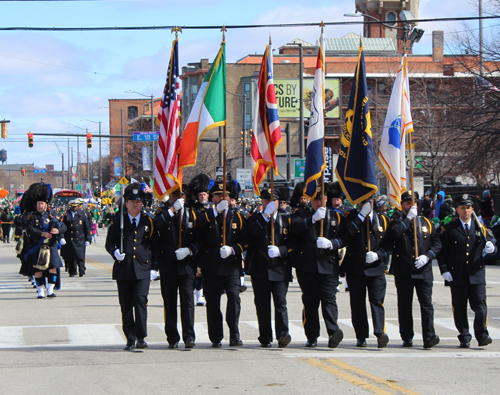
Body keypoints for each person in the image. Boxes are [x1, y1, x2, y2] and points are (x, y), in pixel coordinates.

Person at [105, 183, 159, 351]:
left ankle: (141, 336)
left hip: (142, 269)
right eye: (132, 201)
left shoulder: (148, 221)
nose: (135, 204)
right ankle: (130, 337)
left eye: (138, 201)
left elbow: (155, 246)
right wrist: (115, 252)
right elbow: (109, 243)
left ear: (142, 203)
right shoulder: (117, 222)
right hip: (124, 269)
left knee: (140, 301)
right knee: (126, 304)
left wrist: (154, 267)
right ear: (126, 203)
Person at [438, 194, 495, 348]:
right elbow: (442, 252)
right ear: (457, 210)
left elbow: (491, 240)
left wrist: (491, 246)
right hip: (457, 274)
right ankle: (464, 335)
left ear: (472, 209)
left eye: (468, 208)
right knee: (460, 307)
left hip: (476, 274)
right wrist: (444, 270)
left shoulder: (480, 227)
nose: (465, 211)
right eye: (462, 208)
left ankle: (482, 334)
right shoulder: (449, 229)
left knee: (480, 305)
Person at [291, 188, 345, 348]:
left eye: (321, 199)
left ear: (326, 199)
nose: (318, 202)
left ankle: (333, 332)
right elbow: (295, 227)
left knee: (329, 299)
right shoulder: (301, 214)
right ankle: (312, 335)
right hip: (307, 266)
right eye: (315, 199)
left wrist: (332, 244)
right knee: (310, 302)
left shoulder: (336, 216)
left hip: (328, 265)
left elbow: (345, 238)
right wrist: (312, 220)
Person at [196, 181, 248, 348]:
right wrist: (215, 211)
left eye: (224, 195)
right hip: (211, 266)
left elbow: (246, 241)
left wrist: (234, 250)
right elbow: (198, 225)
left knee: (234, 298)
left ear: (230, 198)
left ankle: (234, 334)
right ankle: (216, 336)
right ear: (213, 198)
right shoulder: (205, 214)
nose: (221, 198)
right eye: (218, 195)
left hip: (231, 266)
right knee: (212, 303)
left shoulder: (238, 217)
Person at [389, 191, 442, 348]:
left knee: (426, 304)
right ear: (402, 204)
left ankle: (429, 336)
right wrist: (408, 218)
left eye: (414, 203)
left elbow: (437, 243)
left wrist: (428, 256)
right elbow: (395, 234)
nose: (411, 206)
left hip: (423, 270)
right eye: (407, 203)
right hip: (404, 270)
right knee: (405, 305)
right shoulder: (397, 221)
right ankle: (407, 336)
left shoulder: (426, 222)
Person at [246, 188, 294, 348]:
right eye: (266, 200)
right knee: (262, 304)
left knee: (281, 303)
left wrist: (281, 251)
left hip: (280, 267)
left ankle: (283, 335)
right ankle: (265, 336)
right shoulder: (254, 219)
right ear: (262, 202)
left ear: (278, 202)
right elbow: (251, 233)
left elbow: (293, 243)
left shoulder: (286, 220)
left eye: (273, 200)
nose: (270, 203)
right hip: (260, 268)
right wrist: (265, 216)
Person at [342, 198, 392, 348]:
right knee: (357, 303)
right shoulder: (350, 216)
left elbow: (389, 243)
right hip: (356, 267)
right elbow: (349, 232)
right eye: (362, 203)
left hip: (376, 268)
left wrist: (379, 254)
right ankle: (361, 335)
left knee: (377, 301)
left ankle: (380, 333)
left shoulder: (382, 219)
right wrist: (361, 216)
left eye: (368, 202)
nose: (365, 205)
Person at [154, 186, 199, 349]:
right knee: (170, 303)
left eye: (180, 195)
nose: (177, 197)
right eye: (174, 195)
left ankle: (189, 336)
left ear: (185, 197)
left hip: (187, 265)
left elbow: (200, 238)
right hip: (168, 265)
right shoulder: (163, 212)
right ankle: (172, 336)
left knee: (188, 302)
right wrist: (172, 210)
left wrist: (190, 250)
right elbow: (156, 226)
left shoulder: (192, 214)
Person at [21, 182, 66, 299]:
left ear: (46, 204)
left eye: (42, 203)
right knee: (37, 270)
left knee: (53, 268)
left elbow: (64, 226)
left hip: (51, 246)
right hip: (37, 245)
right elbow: (29, 229)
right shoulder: (32, 216)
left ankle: (50, 289)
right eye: (39, 203)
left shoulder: (52, 214)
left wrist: (58, 231)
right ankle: (40, 291)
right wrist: (42, 233)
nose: (40, 206)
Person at [61, 199, 91, 277]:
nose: (74, 208)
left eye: (75, 207)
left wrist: (88, 238)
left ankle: (81, 269)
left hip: (80, 238)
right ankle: (72, 271)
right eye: (72, 207)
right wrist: (61, 237)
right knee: (70, 256)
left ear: (78, 207)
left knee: (80, 256)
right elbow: (63, 227)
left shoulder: (82, 214)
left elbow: (87, 227)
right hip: (70, 238)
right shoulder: (66, 214)